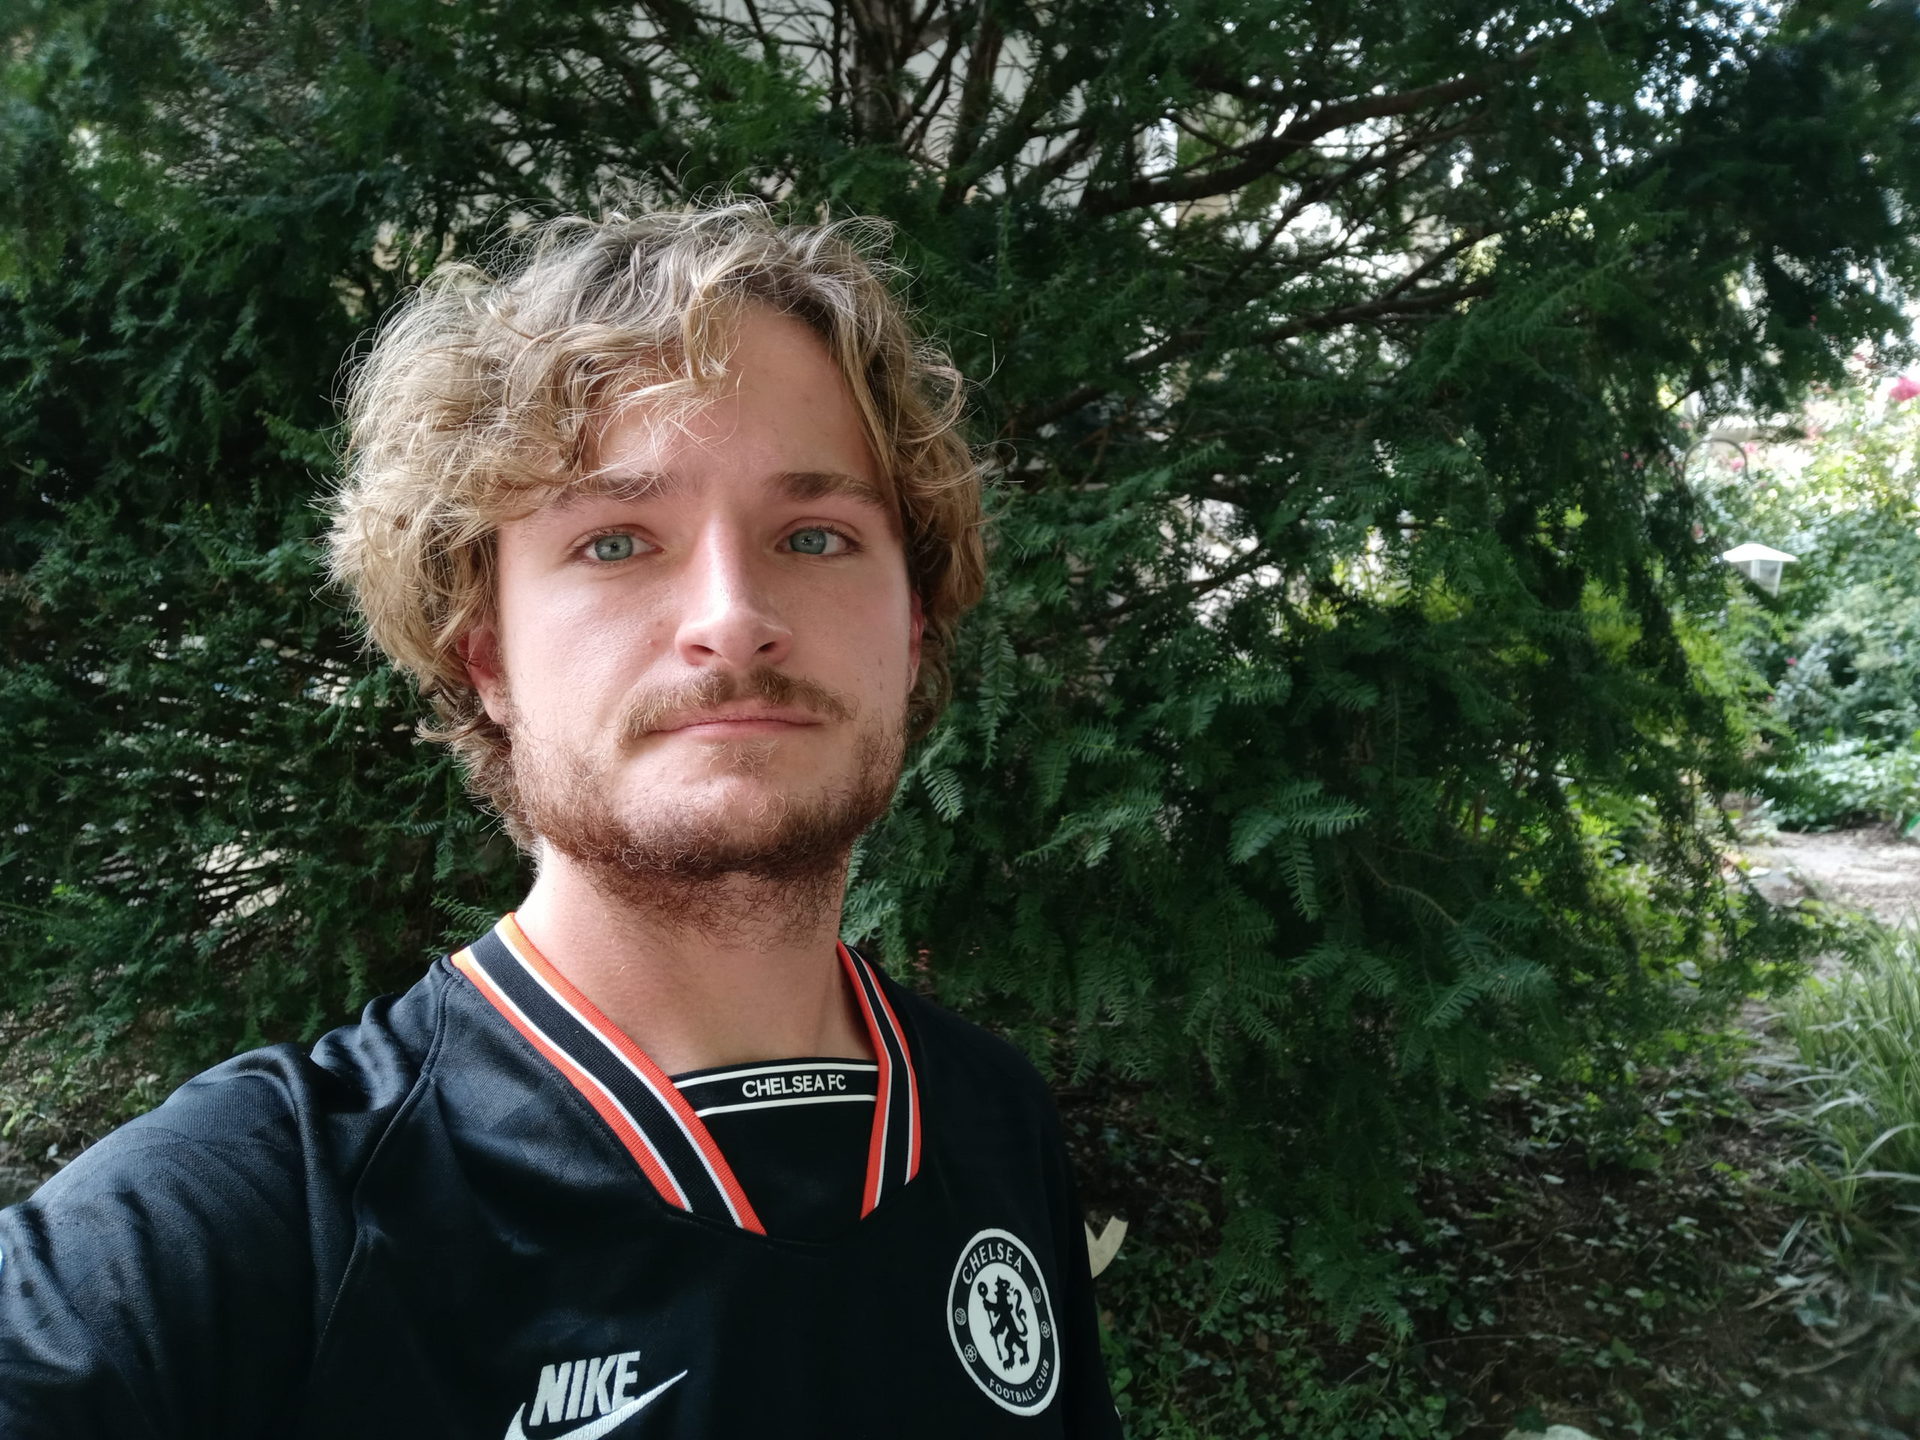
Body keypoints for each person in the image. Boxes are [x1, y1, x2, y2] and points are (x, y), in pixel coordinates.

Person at [0, 200, 1123, 1437]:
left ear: (909, 631)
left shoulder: (992, 1118)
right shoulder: (263, 1212)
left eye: (816, 534)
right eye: (616, 542)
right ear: (485, 653)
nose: (733, 617)